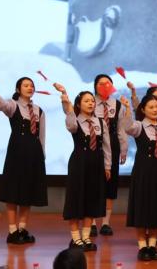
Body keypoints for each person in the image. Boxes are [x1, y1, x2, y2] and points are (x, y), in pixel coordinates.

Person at [0, 75, 47, 245]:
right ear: (18, 89)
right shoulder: (13, 105)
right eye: (26, 85)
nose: (30, 88)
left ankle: (22, 229)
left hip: (34, 153)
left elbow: (41, 135)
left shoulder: (39, 110)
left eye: (31, 85)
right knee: (13, 191)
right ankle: (12, 231)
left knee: (28, 192)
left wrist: (42, 155)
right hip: (17, 152)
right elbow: (0, 105)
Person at [52, 83, 110, 252]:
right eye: (86, 101)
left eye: (92, 101)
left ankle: (86, 237)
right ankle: (75, 238)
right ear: (79, 104)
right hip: (79, 163)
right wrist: (67, 103)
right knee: (76, 199)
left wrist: (107, 166)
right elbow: (71, 126)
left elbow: (106, 146)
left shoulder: (101, 122)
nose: (91, 103)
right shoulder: (75, 119)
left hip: (96, 164)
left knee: (92, 199)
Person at [120, 93, 157, 261]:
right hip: (143, 171)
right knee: (142, 207)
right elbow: (127, 127)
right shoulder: (139, 126)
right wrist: (127, 109)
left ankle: (152, 246)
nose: (155, 109)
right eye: (151, 107)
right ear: (143, 110)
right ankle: (142, 247)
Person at [92, 74, 128, 238]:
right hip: (93, 143)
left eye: (108, 83)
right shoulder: (90, 102)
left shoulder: (118, 105)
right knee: (93, 183)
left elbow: (121, 129)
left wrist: (123, 149)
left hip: (113, 145)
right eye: (101, 83)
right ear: (95, 86)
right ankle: (92, 222)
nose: (104, 86)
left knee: (110, 183)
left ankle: (106, 222)